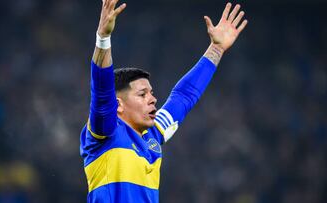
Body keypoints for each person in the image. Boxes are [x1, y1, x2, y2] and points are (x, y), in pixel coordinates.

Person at [80, 0, 247, 202]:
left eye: (151, 93)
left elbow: (184, 96)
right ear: (118, 105)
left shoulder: (154, 134)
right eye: (142, 94)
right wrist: (103, 38)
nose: (153, 99)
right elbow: (101, 91)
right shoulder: (105, 132)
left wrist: (217, 49)